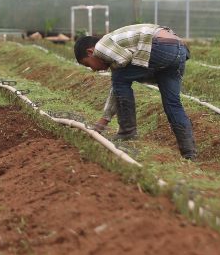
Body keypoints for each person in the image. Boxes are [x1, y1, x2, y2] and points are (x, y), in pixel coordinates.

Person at [74, 24, 196, 160]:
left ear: (90, 52)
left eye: (88, 64)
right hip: (179, 49)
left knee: (119, 78)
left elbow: (123, 62)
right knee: (173, 103)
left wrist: (104, 120)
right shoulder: (114, 46)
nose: (93, 70)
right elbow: (118, 82)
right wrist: (104, 120)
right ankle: (189, 153)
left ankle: (128, 131)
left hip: (161, 46)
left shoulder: (101, 47)